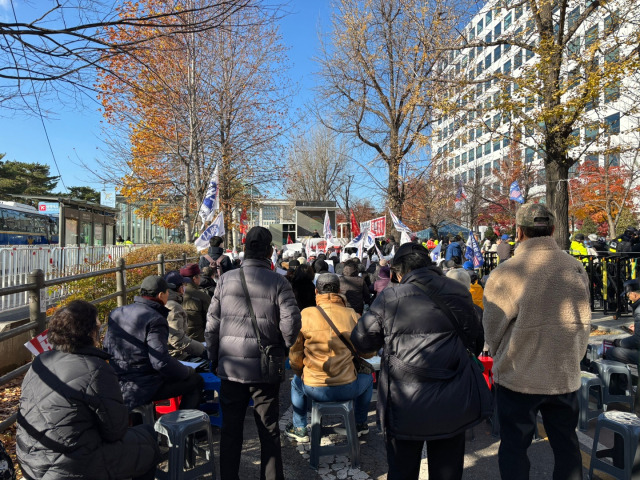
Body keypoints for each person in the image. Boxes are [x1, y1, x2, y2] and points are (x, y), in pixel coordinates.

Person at [351, 243, 482, 480]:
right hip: (452, 394)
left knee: (402, 470)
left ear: (399, 272)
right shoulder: (458, 290)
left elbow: (362, 341)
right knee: (447, 471)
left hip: (404, 398)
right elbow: (475, 336)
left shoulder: (390, 296)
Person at [483, 202, 591, 480]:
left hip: (519, 374)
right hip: (563, 373)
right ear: (553, 230)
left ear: (519, 232)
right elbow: (583, 321)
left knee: (515, 447)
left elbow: (492, 329)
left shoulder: (506, 272)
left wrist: (500, 355)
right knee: (567, 445)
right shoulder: (575, 268)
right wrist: (574, 356)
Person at [17, 300, 160, 480]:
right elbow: (116, 431)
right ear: (90, 332)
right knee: (147, 440)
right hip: (72, 466)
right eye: (98, 327)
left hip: (30, 460)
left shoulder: (40, 361)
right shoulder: (95, 368)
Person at [205, 226, 301, 480]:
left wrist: (214, 357)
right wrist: (283, 345)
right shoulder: (279, 282)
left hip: (230, 367)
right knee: (268, 429)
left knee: (230, 429)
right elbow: (291, 325)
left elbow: (212, 325)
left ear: (245, 249)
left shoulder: (225, 279)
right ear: (270, 252)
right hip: (265, 367)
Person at [286, 273, 374, 441]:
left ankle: (300, 428)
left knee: (296, 384)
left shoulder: (306, 314)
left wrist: (301, 372)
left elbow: (295, 355)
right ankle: (360, 424)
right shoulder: (352, 315)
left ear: (316, 292)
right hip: (348, 387)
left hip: (314, 389)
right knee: (368, 378)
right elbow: (365, 352)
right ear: (339, 291)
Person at [105, 275, 204, 410]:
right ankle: (181, 428)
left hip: (117, 381)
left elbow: (107, 347)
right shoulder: (155, 319)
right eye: (167, 293)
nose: (168, 295)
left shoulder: (117, 312)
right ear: (161, 295)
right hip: (144, 385)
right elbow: (160, 362)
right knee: (195, 381)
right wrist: (187, 371)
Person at [164, 271, 206, 359]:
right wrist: (203, 350)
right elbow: (177, 340)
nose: (185, 287)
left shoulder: (166, 302)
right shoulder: (173, 306)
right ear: (180, 288)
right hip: (175, 355)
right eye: (184, 285)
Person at [606, 279, 640, 365]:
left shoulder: (639, 311)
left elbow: (637, 340)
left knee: (611, 352)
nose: (628, 297)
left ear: (634, 294)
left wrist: (619, 342)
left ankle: (621, 378)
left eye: (628, 294)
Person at [180, 263, 212, 341]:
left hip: (178, 340)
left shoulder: (172, 295)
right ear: (194, 278)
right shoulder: (202, 296)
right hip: (199, 340)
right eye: (199, 276)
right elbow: (211, 322)